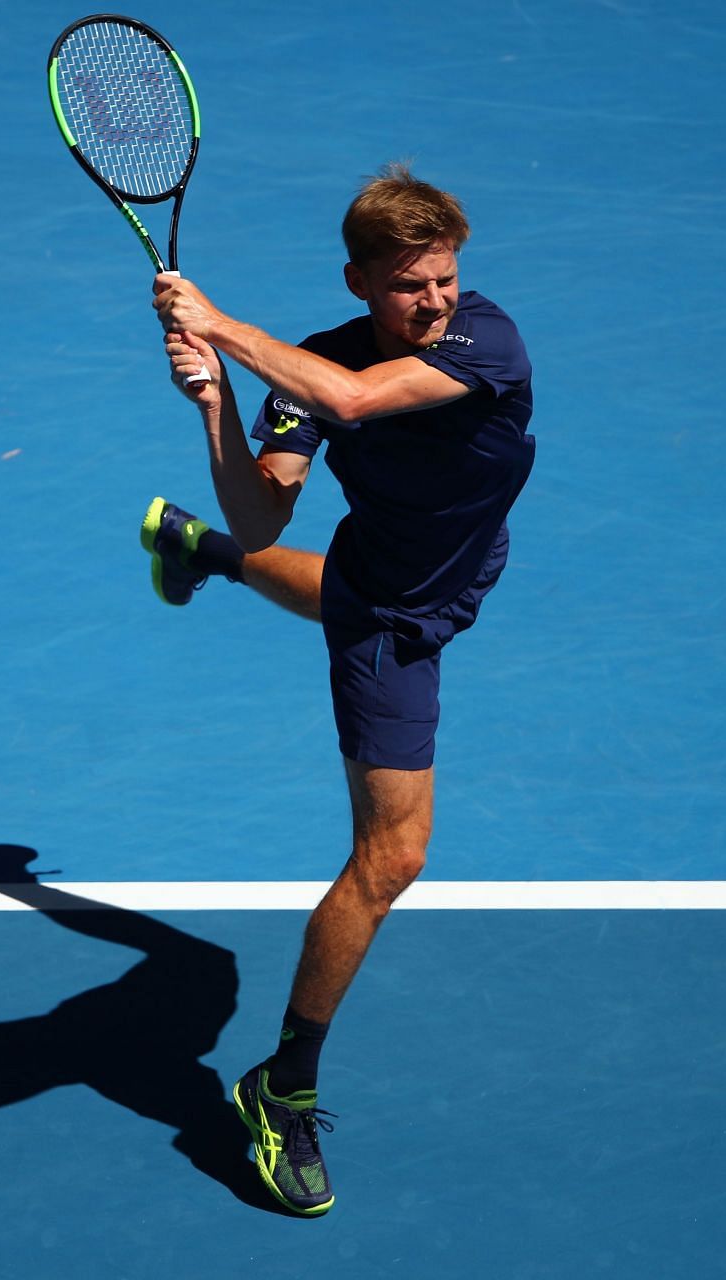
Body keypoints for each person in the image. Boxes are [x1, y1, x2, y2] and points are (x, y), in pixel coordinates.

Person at [143, 162, 535, 1216]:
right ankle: (282, 1086)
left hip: (448, 564)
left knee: (331, 585)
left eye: (446, 278)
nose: (437, 300)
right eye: (411, 286)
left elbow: (356, 401)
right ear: (360, 279)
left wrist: (220, 325)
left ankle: (192, 549)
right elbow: (267, 506)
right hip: (394, 616)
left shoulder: (483, 340)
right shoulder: (313, 362)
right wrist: (216, 404)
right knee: (393, 854)